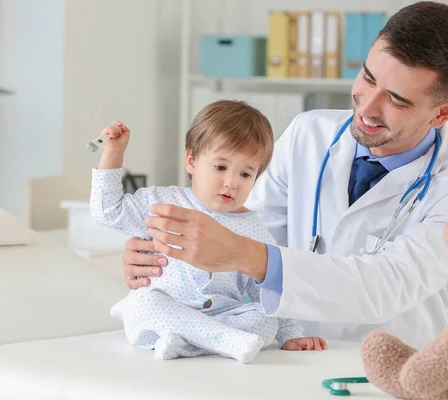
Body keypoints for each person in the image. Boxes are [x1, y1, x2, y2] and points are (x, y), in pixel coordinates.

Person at [121, 2, 448, 349]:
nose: (367, 107)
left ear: (442, 113)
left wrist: (241, 253)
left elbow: (392, 284)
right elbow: (244, 226)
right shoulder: (308, 133)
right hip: (289, 353)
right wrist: (165, 259)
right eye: (367, 78)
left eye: (396, 100)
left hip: (390, 370)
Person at [90, 100, 326, 364]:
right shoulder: (160, 203)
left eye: (246, 174)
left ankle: (186, 343)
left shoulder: (254, 230)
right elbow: (107, 212)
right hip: (165, 309)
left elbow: (269, 289)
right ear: (192, 161)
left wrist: (289, 335)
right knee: (141, 304)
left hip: (221, 316)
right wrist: (112, 155)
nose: (231, 183)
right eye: (221, 167)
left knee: (263, 320)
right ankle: (223, 341)